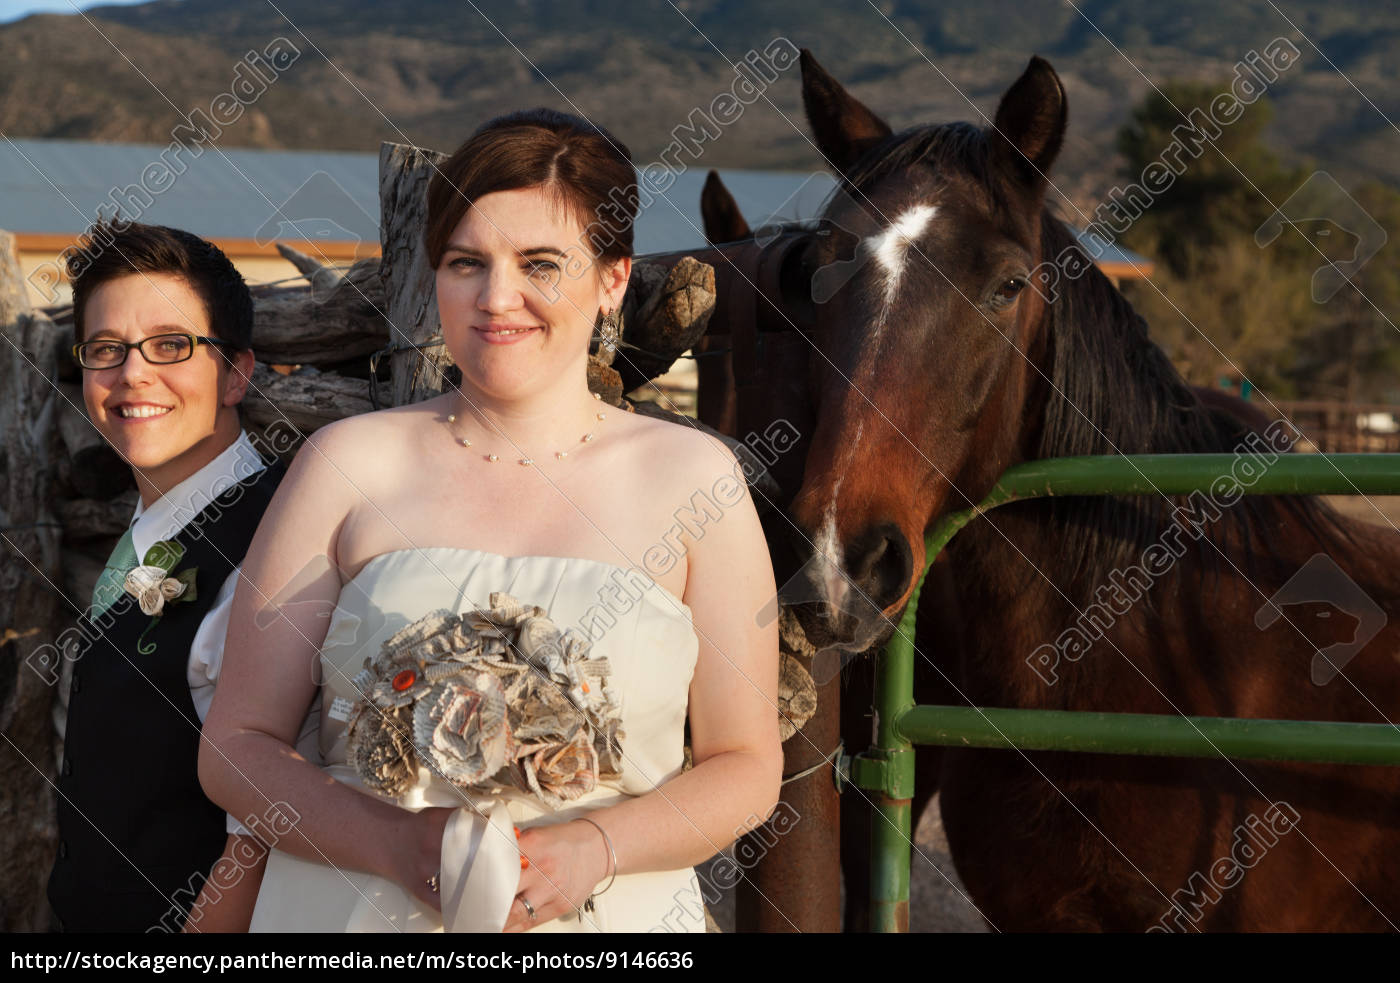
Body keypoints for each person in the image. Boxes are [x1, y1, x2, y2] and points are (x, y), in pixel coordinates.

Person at [199, 108, 783, 933]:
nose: (496, 297)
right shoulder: (344, 463)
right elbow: (238, 745)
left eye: (540, 262)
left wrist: (595, 846)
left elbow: (748, 765)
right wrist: (394, 843)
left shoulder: (695, 480)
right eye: (466, 262)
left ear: (614, 278)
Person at [47, 219, 306, 933]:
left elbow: (266, 821)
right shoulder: (156, 525)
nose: (131, 374)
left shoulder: (278, 543)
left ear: (237, 373)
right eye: (106, 349)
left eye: (170, 346)